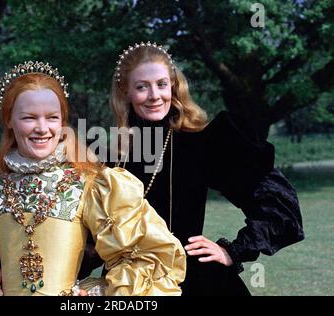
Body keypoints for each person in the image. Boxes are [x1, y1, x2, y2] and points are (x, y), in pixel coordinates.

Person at [0, 60, 186, 296]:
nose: (42, 128)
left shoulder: (92, 185)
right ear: (9, 119)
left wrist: (100, 292)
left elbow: (148, 256)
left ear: (62, 120)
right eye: (29, 117)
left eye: (52, 117)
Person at [106, 41, 304, 295]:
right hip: (124, 285)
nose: (155, 95)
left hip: (192, 281)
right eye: (142, 87)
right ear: (125, 92)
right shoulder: (111, 157)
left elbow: (279, 204)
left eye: (162, 84)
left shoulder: (201, 143)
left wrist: (233, 250)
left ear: (174, 86)